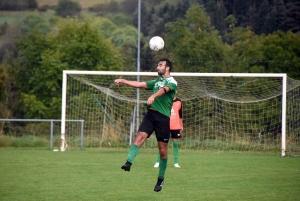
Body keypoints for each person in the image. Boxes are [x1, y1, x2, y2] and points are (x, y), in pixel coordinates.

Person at [114, 58, 177, 192]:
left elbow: (164, 90)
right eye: (157, 65)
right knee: (139, 138)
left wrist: (153, 96)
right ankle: (128, 162)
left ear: (168, 68)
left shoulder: (172, 82)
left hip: (163, 119)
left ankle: (160, 179)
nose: (157, 67)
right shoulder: (156, 82)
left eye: (160, 65)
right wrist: (124, 81)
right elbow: (140, 84)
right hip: (151, 115)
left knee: (163, 151)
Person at [154, 95, 183, 168]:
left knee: (175, 143)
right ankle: (158, 161)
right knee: (162, 144)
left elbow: (180, 115)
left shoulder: (179, 101)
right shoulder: (165, 99)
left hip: (175, 126)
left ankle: (176, 162)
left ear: (176, 91)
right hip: (165, 124)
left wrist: (181, 125)